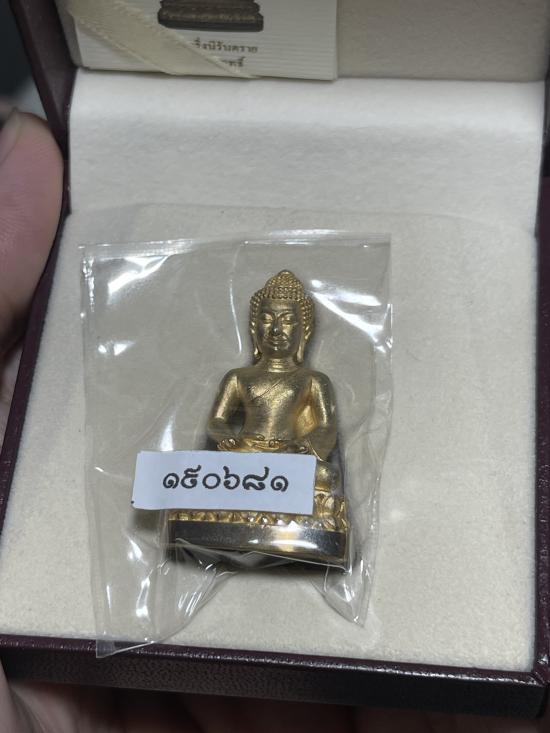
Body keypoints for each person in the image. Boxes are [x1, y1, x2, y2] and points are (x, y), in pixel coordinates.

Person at [0, 109, 545, 732]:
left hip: (289, 470)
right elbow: (219, 430)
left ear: (303, 330)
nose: (279, 329)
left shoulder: (312, 382)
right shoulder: (240, 377)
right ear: (256, 325)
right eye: (269, 321)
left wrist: (294, 453)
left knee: (321, 482)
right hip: (249, 464)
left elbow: (323, 436)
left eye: (289, 322)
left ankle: (271, 510)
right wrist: (244, 445)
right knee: (212, 472)